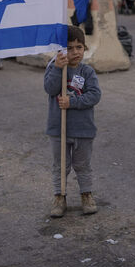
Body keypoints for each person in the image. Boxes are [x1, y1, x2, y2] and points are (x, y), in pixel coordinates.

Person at [44, 26, 102, 218]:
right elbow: (50, 89)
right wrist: (58, 69)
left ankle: (86, 194)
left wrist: (72, 102)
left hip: (83, 129)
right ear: (61, 50)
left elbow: (94, 95)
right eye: (69, 48)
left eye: (79, 47)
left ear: (84, 47)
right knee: (60, 165)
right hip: (58, 129)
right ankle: (59, 196)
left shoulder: (87, 72)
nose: (75, 52)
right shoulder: (54, 67)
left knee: (83, 165)